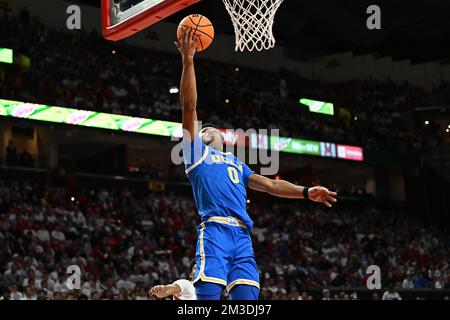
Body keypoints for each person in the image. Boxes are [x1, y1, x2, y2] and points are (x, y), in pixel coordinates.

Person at [175, 28, 338, 300]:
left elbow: (272, 185)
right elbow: (189, 105)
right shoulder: (195, 153)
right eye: (206, 129)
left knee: (248, 299)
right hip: (215, 230)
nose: (212, 130)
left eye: (216, 129)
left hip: (242, 237)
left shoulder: (236, 164)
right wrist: (188, 61)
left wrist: (306, 192)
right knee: (207, 297)